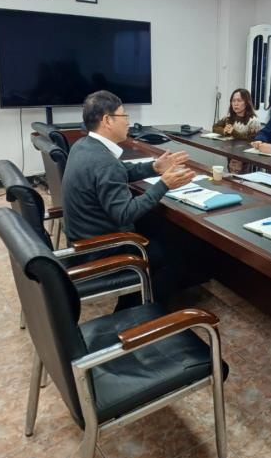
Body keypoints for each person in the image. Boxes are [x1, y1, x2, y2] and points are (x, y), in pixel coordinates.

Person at [62, 90, 208, 304]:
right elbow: (125, 213)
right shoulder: (103, 161)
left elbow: (120, 171)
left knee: (164, 230)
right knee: (174, 256)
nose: (128, 122)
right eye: (124, 116)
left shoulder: (83, 145)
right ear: (107, 121)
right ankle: (136, 311)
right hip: (101, 249)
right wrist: (164, 184)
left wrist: (154, 167)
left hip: (83, 239)